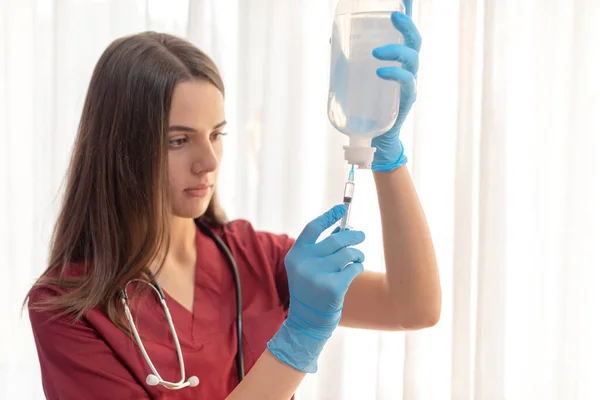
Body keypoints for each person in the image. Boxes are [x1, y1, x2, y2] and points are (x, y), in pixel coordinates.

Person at [26, 8, 440, 400]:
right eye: (178, 140)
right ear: (121, 148)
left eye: (217, 134)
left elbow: (414, 306)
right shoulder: (68, 311)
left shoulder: (252, 258)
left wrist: (387, 153)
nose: (207, 163)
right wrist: (299, 342)